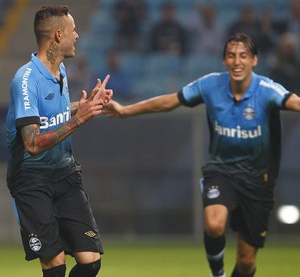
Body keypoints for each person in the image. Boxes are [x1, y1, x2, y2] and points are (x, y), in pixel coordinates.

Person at [104, 32, 300, 277]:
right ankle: (217, 274)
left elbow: (296, 103)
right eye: (231, 56)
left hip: (258, 180)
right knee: (214, 223)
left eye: (243, 56)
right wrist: (125, 110)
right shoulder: (210, 85)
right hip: (222, 170)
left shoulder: (268, 90)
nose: (237, 62)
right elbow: (170, 101)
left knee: (246, 262)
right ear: (224, 61)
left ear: (254, 60)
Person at [6, 5, 112, 277]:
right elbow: (31, 142)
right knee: (55, 265)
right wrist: (79, 120)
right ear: (57, 35)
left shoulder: (61, 70)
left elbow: (55, 115)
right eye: (72, 30)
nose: (76, 36)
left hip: (65, 174)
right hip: (31, 180)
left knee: (90, 261)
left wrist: (84, 105)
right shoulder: (26, 80)